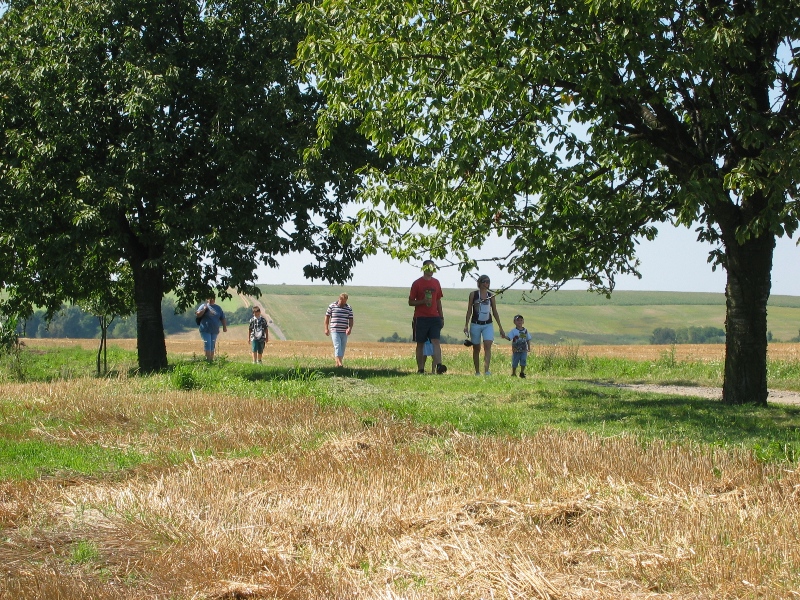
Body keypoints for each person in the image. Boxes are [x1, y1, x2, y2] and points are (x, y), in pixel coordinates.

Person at [409, 260, 446, 374]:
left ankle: (439, 365)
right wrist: (422, 301)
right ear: (424, 268)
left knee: (436, 341)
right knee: (420, 343)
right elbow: (411, 302)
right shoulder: (417, 283)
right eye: (430, 268)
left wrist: (441, 316)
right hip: (421, 317)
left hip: (434, 317)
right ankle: (421, 369)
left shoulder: (436, 282)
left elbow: (438, 300)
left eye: (433, 268)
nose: (432, 270)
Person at [463, 275, 505, 375]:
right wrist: (466, 325)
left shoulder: (491, 296)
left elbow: (494, 311)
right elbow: (469, 310)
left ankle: (486, 370)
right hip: (475, 324)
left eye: (488, 282)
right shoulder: (473, 295)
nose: (486, 284)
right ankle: (477, 371)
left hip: (488, 324)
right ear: (479, 283)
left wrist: (500, 327)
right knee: (476, 348)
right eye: (484, 282)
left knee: (487, 345)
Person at [324, 292, 354, 368]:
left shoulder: (348, 308)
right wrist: (326, 328)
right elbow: (327, 317)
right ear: (339, 299)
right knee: (337, 345)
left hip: (344, 331)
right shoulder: (332, 306)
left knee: (342, 347)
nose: (344, 303)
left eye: (345, 301)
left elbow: (351, 319)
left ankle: (337, 364)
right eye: (343, 301)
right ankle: (340, 363)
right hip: (335, 330)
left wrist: (349, 328)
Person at [195, 294, 227, 362]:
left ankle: (211, 360)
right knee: (208, 344)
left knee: (212, 345)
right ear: (207, 299)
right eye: (209, 298)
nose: (211, 299)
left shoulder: (218, 308)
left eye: (212, 298)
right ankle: (208, 360)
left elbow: (222, 318)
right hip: (205, 329)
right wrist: (204, 309)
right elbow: (198, 315)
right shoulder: (203, 306)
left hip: (214, 330)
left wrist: (224, 327)